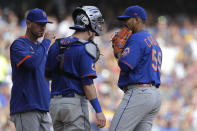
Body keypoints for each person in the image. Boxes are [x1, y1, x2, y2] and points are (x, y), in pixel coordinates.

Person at [45, 6, 106, 131]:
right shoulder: (86, 48)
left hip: (55, 105)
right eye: (94, 33)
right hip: (74, 103)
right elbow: (88, 85)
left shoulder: (56, 44)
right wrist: (98, 111)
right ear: (89, 30)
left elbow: (47, 76)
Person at [109, 5, 162, 131]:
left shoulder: (137, 38)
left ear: (137, 20)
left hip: (139, 93)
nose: (125, 23)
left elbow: (125, 65)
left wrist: (117, 53)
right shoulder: (153, 40)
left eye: (128, 19)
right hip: (153, 95)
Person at [10, 8, 55, 131]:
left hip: (43, 107)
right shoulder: (19, 44)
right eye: (39, 24)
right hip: (26, 106)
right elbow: (31, 64)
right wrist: (46, 42)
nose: (43, 28)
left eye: (44, 25)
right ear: (28, 23)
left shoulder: (41, 48)